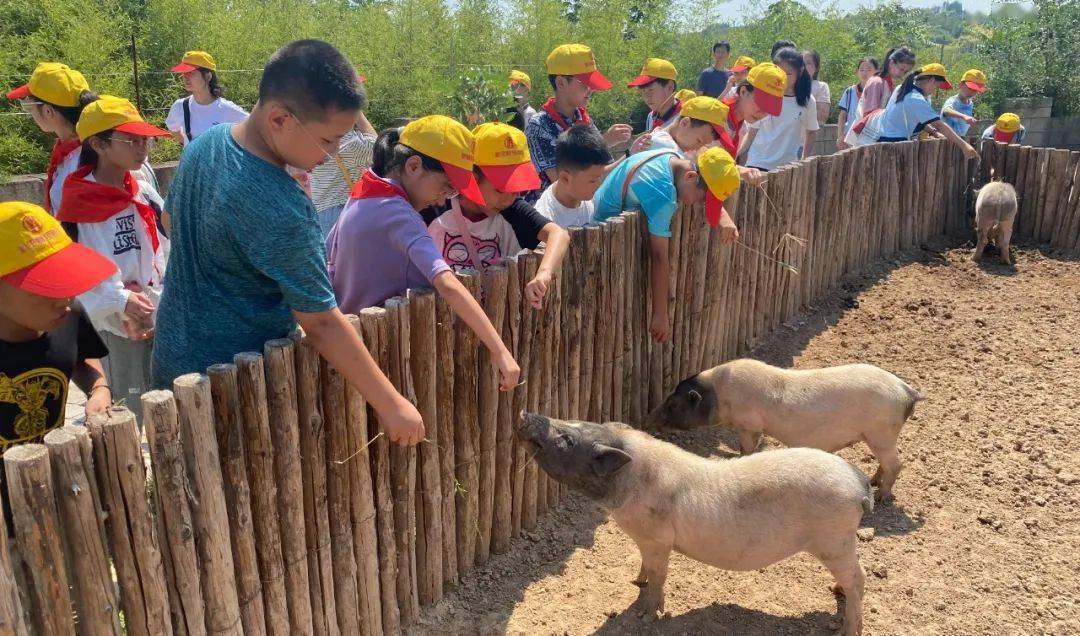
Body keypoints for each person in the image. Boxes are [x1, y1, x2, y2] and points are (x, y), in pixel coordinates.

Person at [153, 39, 424, 445]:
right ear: (280, 119)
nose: (334, 155)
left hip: (171, 363)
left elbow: (170, 220)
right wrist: (392, 405)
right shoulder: (282, 205)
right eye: (328, 140)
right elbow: (320, 321)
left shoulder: (204, 145)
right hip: (232, 390)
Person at [326, 115, 520, 388]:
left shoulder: (363, 192)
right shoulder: (400, 214)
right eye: (446, 187)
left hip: (353, 346)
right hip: (386, 354)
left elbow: (329, 260)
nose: (443, 199)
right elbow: (447, 282)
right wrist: (501, 351)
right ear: (414, 166)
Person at [1, 201, 118, 524]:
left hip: (50, 493)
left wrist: (99, 388)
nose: (64, 298)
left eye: (63, 281)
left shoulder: (68, 317)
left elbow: (80, 355)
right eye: (44, 286)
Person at [55, 96, 171, 422]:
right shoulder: (81, 201)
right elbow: (82, 269)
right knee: (129, 409)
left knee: (165, 401)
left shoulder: (142, 190)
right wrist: (122, 303)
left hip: (156, 310)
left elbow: (164, 248)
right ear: (98, 144)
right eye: (130, 140)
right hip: (117, 323)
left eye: (144, 139)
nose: (142, 147)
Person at [593, 146, 739, 342]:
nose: (698, 203)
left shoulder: (672, 156)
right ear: (690, 176)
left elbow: (702, 188)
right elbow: (659, 256)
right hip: (603, 238)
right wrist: (661, 314)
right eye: (703, 198)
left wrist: (722, 216)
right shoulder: (662, 197)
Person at [424, 122, 570, 310]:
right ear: (473, 178)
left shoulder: (511, 209)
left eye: (517, 189)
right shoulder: (436, 206)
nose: (510, 197)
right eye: (502, 189)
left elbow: (559, 235)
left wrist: (544, 273)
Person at [525, 44, 631, 200]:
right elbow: (564, 184)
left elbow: (599, 174)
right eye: (584, 83)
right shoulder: (539, 126)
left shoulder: (584, 120)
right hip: (551, 217)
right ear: (561, 83)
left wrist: (631, 156)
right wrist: (602, 143)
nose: (591, 89)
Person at [6, 62, 98, 216]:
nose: (30, 115)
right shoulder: (94, 147)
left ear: (48, 111)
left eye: (29, 107)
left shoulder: (81, 164)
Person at [863, 64, 978, 159]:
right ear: (931, 80)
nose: (934, 91)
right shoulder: (916, 98)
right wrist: (964, 146)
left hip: (884, 142)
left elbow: (919, 120)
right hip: (895, 146)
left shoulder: (901, 89)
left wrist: (934, 133)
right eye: (936, 87)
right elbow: (939, 124)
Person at [309, 79, 378, 238]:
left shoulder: (312, 136)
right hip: (341, 212)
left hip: (317, 213)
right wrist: (358, 113)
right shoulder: (345, 140)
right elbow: (377, 147)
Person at [742, 48, 819, 171]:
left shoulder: (807, 101)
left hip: (786, 169)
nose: (782, 78)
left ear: (800, 72)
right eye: (779, 72)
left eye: (788, 74)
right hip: (757, 164)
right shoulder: (765, 96)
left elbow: (811, 132)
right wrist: (735, 155)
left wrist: (804, 161)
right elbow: (752, 132)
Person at [534, 124, 611, 228]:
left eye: (599, 177)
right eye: (593, 181)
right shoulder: (545, 220)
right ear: (565, 179)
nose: (598, 185)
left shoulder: (589, 198)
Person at [165, 50, 248, 146]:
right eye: (184, 73)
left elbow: (254, 128)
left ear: (208, 76)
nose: (185, 77)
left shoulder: (227, 109)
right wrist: (190, 145)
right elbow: (173, 130)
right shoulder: (180, 106)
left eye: (191, 73)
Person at [630, 95, 729, 158]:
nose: (699, 148)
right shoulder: (667, 149)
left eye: (704, 144)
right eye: (699, 141)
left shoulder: (661, 136)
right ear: (684, 123)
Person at [836, 57, 878, 150]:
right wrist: (840, 136)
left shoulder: (879, 92)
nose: (864, 73)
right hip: (850, 138)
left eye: (869, 70)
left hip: (871, 140)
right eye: (862, 69)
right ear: (857, 71)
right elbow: (842, 115)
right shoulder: (850, 91)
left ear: (876, 72)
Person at [628, 58, 681, 131]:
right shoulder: (651, 116)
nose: (646, 97)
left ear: (670, 86)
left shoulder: (685, 121)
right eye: (643, 91)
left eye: (651, 90)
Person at [861, 47, 915, 113]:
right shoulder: (876, 82)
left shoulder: (890, 85)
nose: (902, 74)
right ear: (891, 63)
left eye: (905, 72)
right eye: (901, 69)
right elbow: (869, 114)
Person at [941, 69, 987, 137]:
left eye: (975, 90)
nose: (972, 92)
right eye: (970, 88)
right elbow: (946, 110)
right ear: (960, 85)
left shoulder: (970, 104)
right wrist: (964, 116)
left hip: (959, 140)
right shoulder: (953, 100)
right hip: (945, 139)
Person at [803, 49, 831, 126]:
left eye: (808, 63)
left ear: (817, 67)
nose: (804, 66)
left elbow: (822, 117)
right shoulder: (790, 85)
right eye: (801, 63)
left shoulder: (822, 87)